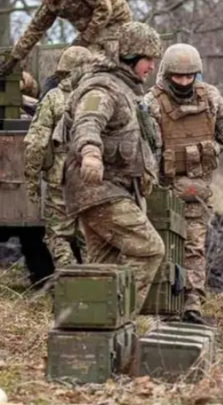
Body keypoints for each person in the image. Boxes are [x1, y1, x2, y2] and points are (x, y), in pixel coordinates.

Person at [143, 44, 223, 324]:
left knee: (194, 246)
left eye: (189, 77)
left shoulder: (211, 99)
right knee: (159, 247)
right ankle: (159, 302)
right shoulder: (150, 103)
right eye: (178, 77)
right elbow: (144, 152)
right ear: (166, 74)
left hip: (197, 187)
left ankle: (192, 303)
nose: (184, 82)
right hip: (160, 189)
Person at [63, 22, 165, 311]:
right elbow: (88, 121)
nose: (152, 66)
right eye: (148, 59)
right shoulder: (102, 88)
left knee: (103, 267)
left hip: (105, 192)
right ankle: (117, 317)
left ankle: (92, 330)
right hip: (100, 192)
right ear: (130, 57)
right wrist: (91, 153)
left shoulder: (125, 90)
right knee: (149, 250)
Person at [23, 46, 95, 270]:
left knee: (58, 236)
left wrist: (32, 183)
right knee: (91, 236)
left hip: (60, 178)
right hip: (93, 177)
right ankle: (96, 282)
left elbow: (35, 144)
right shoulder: (98, 99)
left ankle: (69, 277)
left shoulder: (53, 99)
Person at [0, 0, 132, 76]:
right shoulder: (52, 2)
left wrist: (85, 39)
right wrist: (14, 60)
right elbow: (35, 29)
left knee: (94, 61)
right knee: (70, 59)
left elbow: (103, 9)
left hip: (116, 22)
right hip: (92, 29)